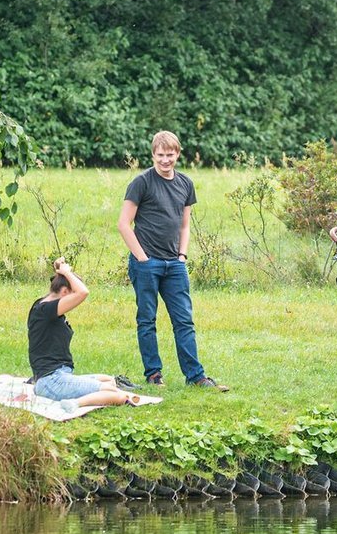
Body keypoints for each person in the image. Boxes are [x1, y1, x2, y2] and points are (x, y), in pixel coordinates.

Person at [117, 130, 228, 390]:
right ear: (153, 155)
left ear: (177, 154)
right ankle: (154, 374)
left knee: (184, 321)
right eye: (160, 155)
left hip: (175, 265)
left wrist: (182, 255)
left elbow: (185, 225)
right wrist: (142, 258)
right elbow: (123, 224)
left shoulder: (185, 184)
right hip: (146, 263)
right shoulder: (141, 182)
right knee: (147, 320)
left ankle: (196, 376)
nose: (165, 160)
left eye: (170, 155)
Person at [29, 259, 142, 408]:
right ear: (64, 292)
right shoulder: (45, 310)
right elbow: (83, 292)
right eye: (71, 295)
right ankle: (74, 404)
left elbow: (65, 285)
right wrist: (67, 272)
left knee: (109, 380)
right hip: (52, 381)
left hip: (59, 376)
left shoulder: (43, 306)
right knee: (117, 394)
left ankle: (92, 393)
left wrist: (60, 269)